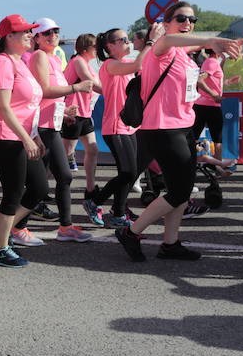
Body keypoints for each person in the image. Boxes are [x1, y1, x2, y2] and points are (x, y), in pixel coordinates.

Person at [115, 1, 241, 262]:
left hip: (183, 125)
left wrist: (224, 43)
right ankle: (131, 232)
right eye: (181, 18)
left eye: (192, 20)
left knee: (179, 190)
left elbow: (194, 46)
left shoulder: (183, 54)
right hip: (163, 127)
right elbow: (172, 40)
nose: (188, 24)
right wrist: (214, 40)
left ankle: (170, 244)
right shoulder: (162, 48)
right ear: (167, 23)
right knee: (180, 192)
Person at [0, 15, 49, 267]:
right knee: (13, 193)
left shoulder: (19, 62)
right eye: (25, 32)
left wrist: (35, 135)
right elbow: (4, 107)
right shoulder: (2, 63)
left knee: (39, 188)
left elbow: (27, 106)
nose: (31, 35)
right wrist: (26, 138)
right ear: (9, 37)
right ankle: (0, 248)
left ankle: (1, 231)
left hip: (20, 135)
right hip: (4, 136)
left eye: (31, 31)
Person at [85, 25, 162, 228]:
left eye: (128, 39)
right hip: (114, 126)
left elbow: (146, 64)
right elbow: (138, 65)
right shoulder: (109, 65)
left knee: (130, 173)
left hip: (130, 126)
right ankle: (95, 201)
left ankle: (118, 212)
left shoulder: (127, 62)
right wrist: (151, 41)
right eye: (123, 40)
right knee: (127, 173)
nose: (128, 42)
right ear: (110, 46)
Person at [27, 18, 93, 243]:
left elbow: (48, 94)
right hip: (41, 127)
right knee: (48, 181)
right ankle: (14, 229)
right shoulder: (38, 57)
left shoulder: (55, 59)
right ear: (36, 38)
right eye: (46, 33)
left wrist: (64, 113)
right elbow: (44, 90)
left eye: (55, 31)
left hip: (52, 124)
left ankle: (63, 226)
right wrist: (76, 87)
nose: (52, 35)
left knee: (46, 182)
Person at [61, 34, 103, 208]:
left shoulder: (86, 62)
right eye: (95, 46)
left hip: (85, 113)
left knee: (92, 149)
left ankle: (90, 188)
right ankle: (39, 190)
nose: (98, 49)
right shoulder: (78, 61)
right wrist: (118, 94)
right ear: (86, 48)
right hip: (74, 113)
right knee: (65, 154)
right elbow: (92, 83)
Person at [191, 48, 224, 161]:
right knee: (218, 139)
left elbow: (212, 81)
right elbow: (200, 80)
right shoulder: (212, 62)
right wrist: (214, 95)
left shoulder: (210, 62)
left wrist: (228, 82)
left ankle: (197, 159)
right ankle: (218, 166)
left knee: (193, 136)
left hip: (203, 105)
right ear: (217, 51)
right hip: (209, 105)